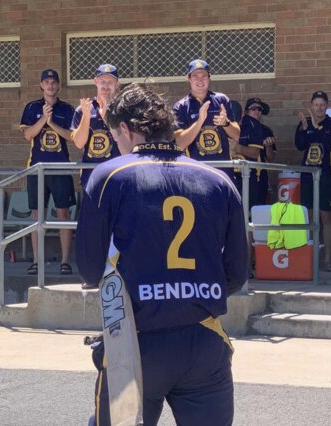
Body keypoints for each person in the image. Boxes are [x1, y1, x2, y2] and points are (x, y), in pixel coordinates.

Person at [76, 83, 249, 426]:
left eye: (115, 135)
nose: (116, 144)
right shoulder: (219, 180)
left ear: (125, 128)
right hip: (204, 338)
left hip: (134, 338)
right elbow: (237, 273)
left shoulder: (109, 176)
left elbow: (89, 268)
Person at [19, 69, 75, 275]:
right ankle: (36, 260)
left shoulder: (68, 109)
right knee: (37, 216)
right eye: (47, 82)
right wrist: (44, 118)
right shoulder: (32, 107)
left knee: (63, 214)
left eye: (54, 82)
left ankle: (65, 260)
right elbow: (28, 135)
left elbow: (72, 137)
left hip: (61, 169)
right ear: (41, 85)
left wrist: (52, 123)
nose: (50, 85)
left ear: (59, 85)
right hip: (37, 170)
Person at [173, 59, 240, 180]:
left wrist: (226, 123)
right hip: (195, 173)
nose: (200, 80)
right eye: (195, 76)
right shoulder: (181, 106)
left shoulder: (222, 100)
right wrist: (200, 121)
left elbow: (237, 135)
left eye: (204, 76)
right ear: (188, 78)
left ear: (209, 78)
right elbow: (179, 144)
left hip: (223, 172)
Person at [295, 90, 331, 272]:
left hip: (326, 175)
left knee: (326, 217)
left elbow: (330, 144)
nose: (319, 108)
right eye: (316, 105)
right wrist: (305, 129)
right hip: (307, 176)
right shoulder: (303, 123)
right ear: (311, 105)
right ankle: (308, 260)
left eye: (322, 105)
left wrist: (316, 127)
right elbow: (299, 145)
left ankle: (327, 260)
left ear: (326, 106)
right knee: (309, 216)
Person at [71, 64, 121, 189]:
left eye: (110, 82)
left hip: (118, 175)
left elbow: (120, 139)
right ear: (96, 82)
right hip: (91, 176)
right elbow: (79, 143)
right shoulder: (84, 109)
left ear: (117, 84)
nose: (105, 86)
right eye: (102, 81)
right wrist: (86, 116)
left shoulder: (123, 108)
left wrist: (106, 116)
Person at [231, 98, 265, 208]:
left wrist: (237, 147)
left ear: (242, 114)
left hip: (248, 176)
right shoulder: (220, 124)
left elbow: (255, 153)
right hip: (228, 175)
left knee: (247, 215)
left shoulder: (253, 124)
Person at [246, 98, 277, 204]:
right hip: (243, 172)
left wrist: (268, 146)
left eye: (259, 109)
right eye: (253, 108)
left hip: (261, 173)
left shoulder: (266, 130)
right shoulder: (239, 128)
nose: (257, 111)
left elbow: (271, 158)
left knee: (260, 207)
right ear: (247, 111)